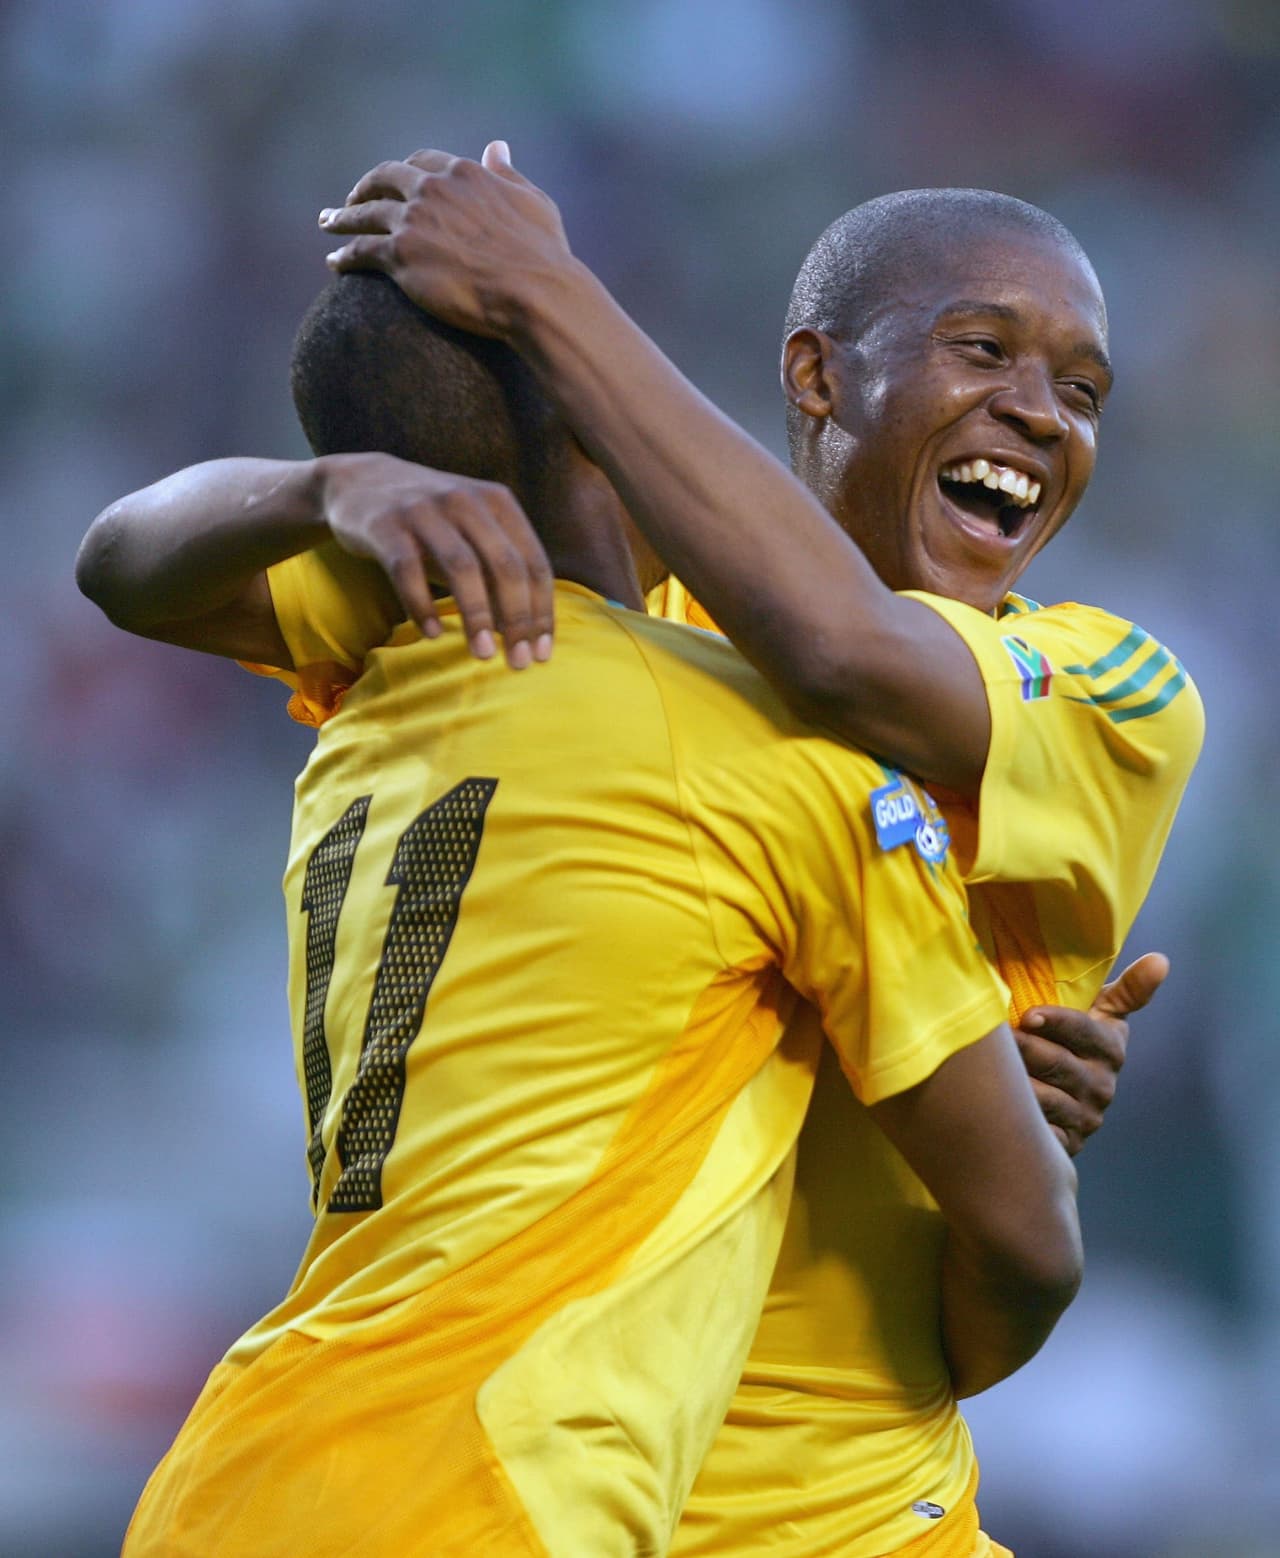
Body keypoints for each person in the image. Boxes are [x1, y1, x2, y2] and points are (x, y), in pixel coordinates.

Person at [78, 274, 1080, 1558]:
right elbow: (1027, 1241)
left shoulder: (374, 678)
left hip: (237, 1480)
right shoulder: (772, 759)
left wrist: (323, 490)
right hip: (492, 1493)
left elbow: (117, 564)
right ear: (603, 437)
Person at [300, 147, 1202, 1556]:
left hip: (843, 1511)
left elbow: (839, 651)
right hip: (578, 1482)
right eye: (984, 350)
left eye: (1082, 395)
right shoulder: (602, 633)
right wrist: (323, 490)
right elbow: (130, 565)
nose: (1037, 411)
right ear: (816, 376)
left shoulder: (1112, 686)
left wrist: (546, 287)